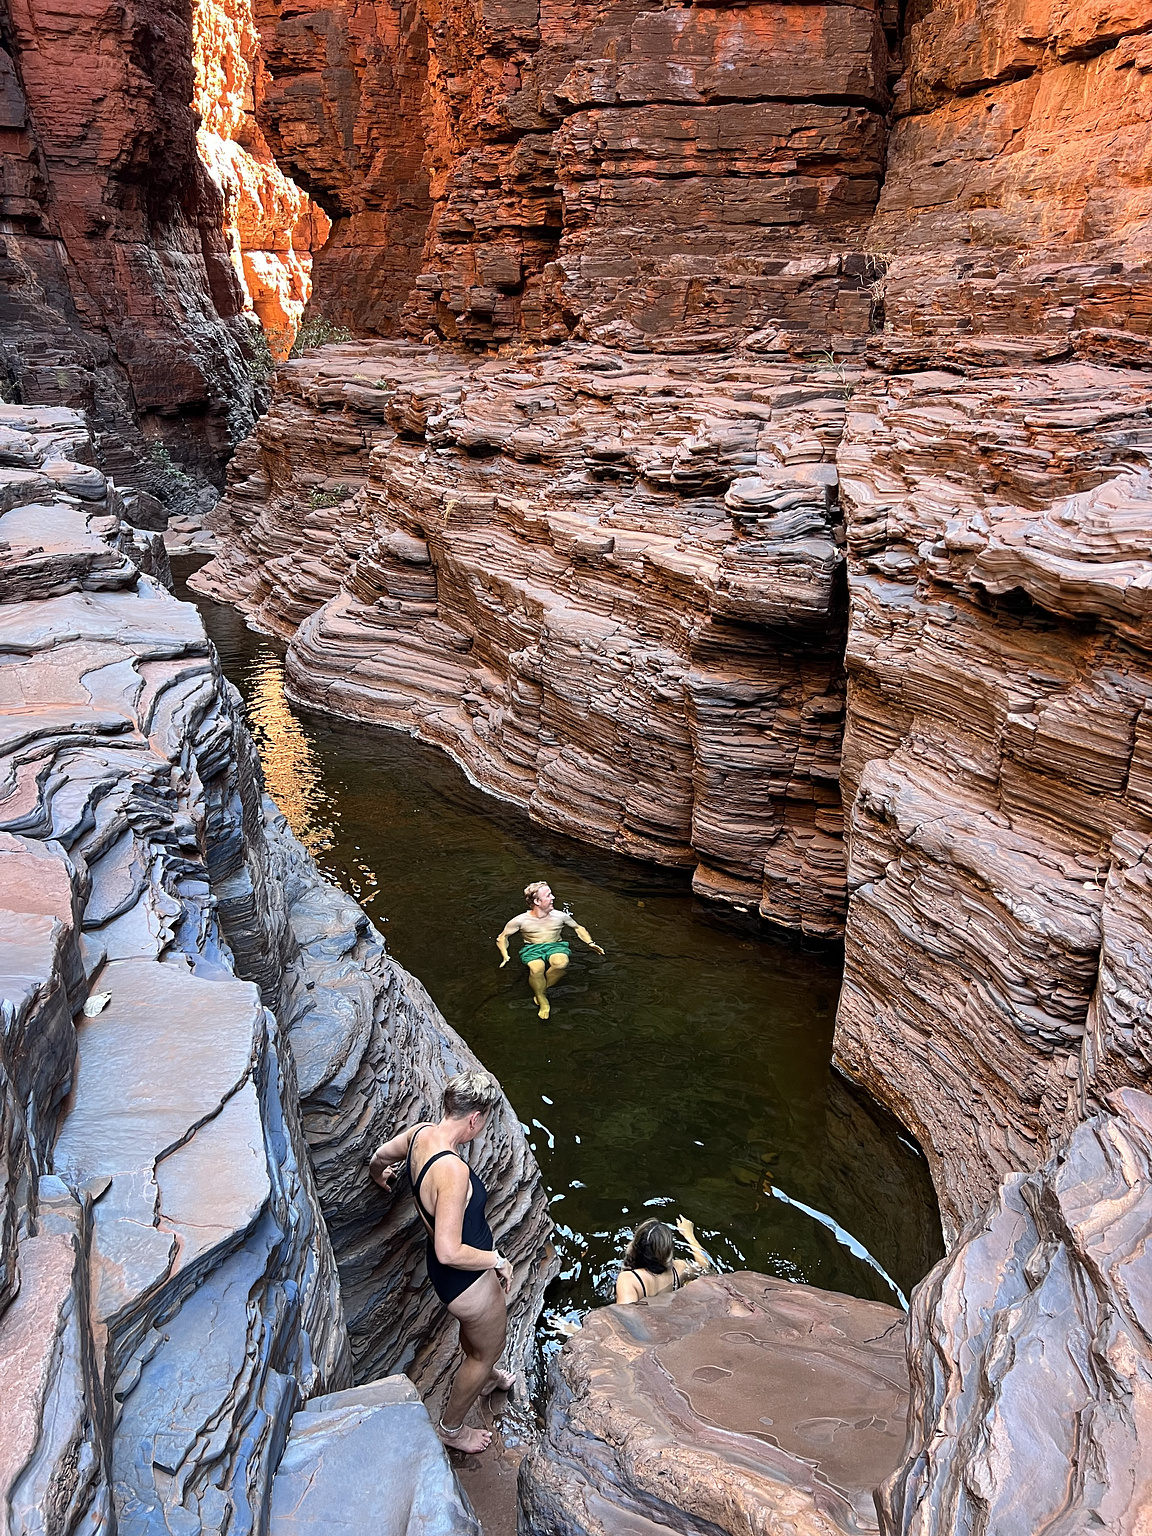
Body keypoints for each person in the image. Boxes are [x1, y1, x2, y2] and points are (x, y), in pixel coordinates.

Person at [367, 1071, 515, 1453]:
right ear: (474, 1119)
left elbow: (380, 1156)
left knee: (481, 1346)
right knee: (486, 1349)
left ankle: (490, 1374)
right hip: (466, 1278)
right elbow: (451, 1250)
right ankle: (452, 1429)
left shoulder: (419, 1134)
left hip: (446, 1273)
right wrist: (497, 1260)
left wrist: (378, 1175)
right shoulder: (453, 1170)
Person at [496, 880, 605, 1019]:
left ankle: (541, 991)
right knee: (537, 968)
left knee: (560, 964)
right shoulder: (520, 920)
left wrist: (590, 942)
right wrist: (505, 955)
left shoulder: (560, 916)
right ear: (536, 901)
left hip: (556, 945)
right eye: (548, 895)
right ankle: (543, 1001)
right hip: (532, 948)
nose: (553, 897)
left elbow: (578, 928)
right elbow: (502, 937)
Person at [614, 1215, 713, 1304]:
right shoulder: (679, 1268)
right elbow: (705, 1266)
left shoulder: (629, 1280)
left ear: (637, 1245)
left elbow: (626, 1316)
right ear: (669, 1252)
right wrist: (689, 1235)